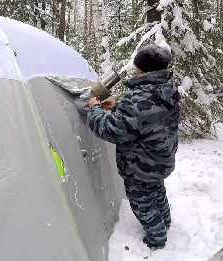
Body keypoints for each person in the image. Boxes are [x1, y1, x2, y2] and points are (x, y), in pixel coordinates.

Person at [87, 44, 179, 249]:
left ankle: (156, 238)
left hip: (140, 166)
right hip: (160, 160)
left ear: (144, 70)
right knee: (156, 190)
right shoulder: (166, 89)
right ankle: (165, 221)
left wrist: (95, 110)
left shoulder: (137, 98)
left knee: (142, 202)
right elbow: (147, 118)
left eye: (137, 67)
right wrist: (119, 107)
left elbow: (112, 130)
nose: (134, 70)